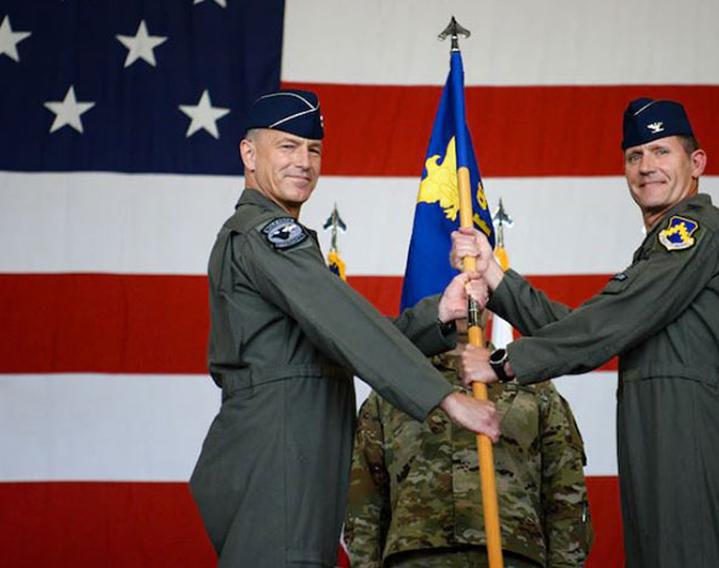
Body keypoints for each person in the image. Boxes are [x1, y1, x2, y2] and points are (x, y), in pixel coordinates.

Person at [189, 90, 500, 568]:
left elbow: (339, 334)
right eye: (287, 146)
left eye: (313, 149)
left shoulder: (280, 240)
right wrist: (445, 397)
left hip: (297, 447)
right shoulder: (264, 234)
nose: (304, 161)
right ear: (249, 154)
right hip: (278, 449)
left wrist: (440, 313)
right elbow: (345, 324)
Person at [453, 98, 719, 567]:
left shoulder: (698, 232)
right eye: (635, 156)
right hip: (661, 443)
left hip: (693, 443)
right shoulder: (660, 255)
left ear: (696, 162)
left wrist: (504, 363)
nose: (647, 167)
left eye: (662, 151)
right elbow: (593, 325)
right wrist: (498, 280)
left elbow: (608, 322)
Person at [344, 316, 593, 568]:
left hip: (514, 553)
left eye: (476, 288)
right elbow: (363, 496)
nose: (466, 303)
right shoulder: (398, 386)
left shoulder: (532, 383)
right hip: (417, 554)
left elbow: (564, 489)